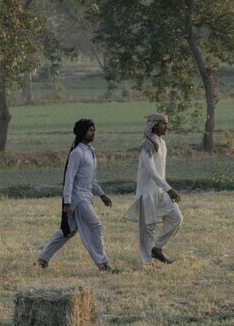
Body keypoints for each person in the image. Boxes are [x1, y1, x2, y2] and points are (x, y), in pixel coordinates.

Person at [36, 118, 119, 273]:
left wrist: (102, 195)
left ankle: (43, 257)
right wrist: (67, 203)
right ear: (82, 132)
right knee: (96, 226)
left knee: (68, 230)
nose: (93, 132)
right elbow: (69, 179)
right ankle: (103, 264)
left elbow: (91, 179)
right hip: (78, 198)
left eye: (94, 129)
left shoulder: (90, 152)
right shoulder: (77, 153)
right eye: (89, 130)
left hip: (87, 196)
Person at [123, 113, 183, 265]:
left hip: (161, 191)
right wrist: (169, 189)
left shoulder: (162, 143)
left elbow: (160, 171)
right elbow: (151, 171)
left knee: (176, 217)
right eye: (163, 124)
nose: (166, 127)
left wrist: (165, 189)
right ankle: (146, 262)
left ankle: (158, 249)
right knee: (147, 229)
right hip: (147, 192)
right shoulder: (147, 145)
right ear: (155, 125)